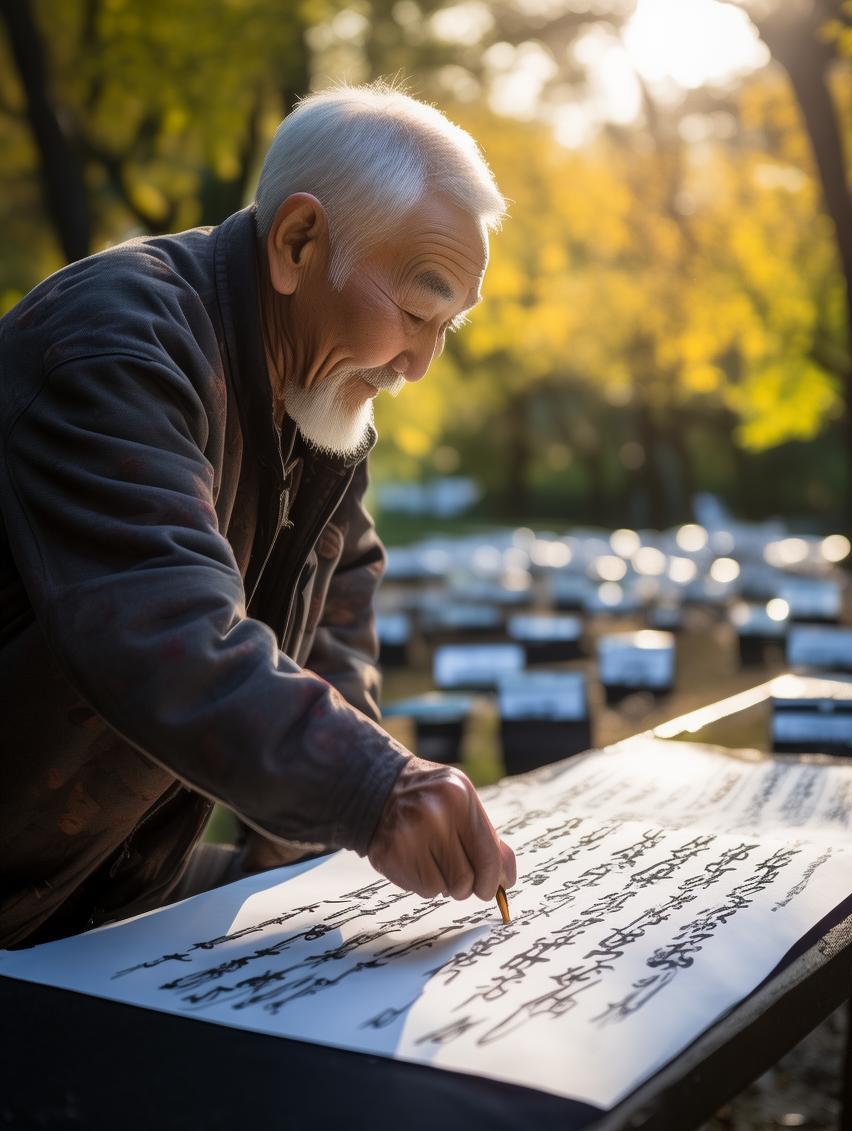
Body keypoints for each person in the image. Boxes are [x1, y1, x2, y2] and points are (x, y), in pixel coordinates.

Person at [0, 81, 516, 949]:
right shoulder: (117, 344)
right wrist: (372, 792)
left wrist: (305, 855)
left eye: (447, 328)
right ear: (298, 242)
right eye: (417, 312)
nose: (419, 365)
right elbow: (161, 625)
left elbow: (337, 607)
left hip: (103, 890)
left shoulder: (320, 392)